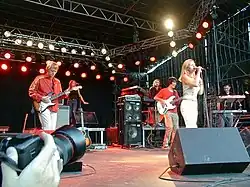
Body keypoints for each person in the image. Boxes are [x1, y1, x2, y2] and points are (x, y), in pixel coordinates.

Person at [28, 60, 69, 130]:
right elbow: (31, 92)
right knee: (47, 128)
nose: (53, 73)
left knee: (52, 129)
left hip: (54, 107)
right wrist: (41, 98)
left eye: (55, 71)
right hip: (43, 106)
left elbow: (59, 96)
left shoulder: (57, 81)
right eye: (52, 71)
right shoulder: (39, 78)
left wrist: (65, 94)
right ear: (47, 69)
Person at [154, 77, 180, 148]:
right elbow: (155, 98)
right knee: (169, 127)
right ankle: (165, 144)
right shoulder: (163, 90)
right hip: (167, 111)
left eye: (175, 83)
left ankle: (173, 144)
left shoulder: (175, 92)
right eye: (173, 83)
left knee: (176, 128)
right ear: (170, 83)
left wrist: (178, 101)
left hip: (174, 111)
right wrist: (163, 101)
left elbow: (177, 102)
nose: (174, 84)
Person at [178, 59, 204, 128]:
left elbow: (200, 93)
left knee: (194, 125)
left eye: (194, 64)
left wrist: (201, 83)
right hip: (187, 103)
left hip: (194, 103)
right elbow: (195, 84)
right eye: (191, 65)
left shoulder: (196, 78)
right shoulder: (184, 76)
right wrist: (198, 72)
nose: (194, 66)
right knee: (190, 125)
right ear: (187, 67)